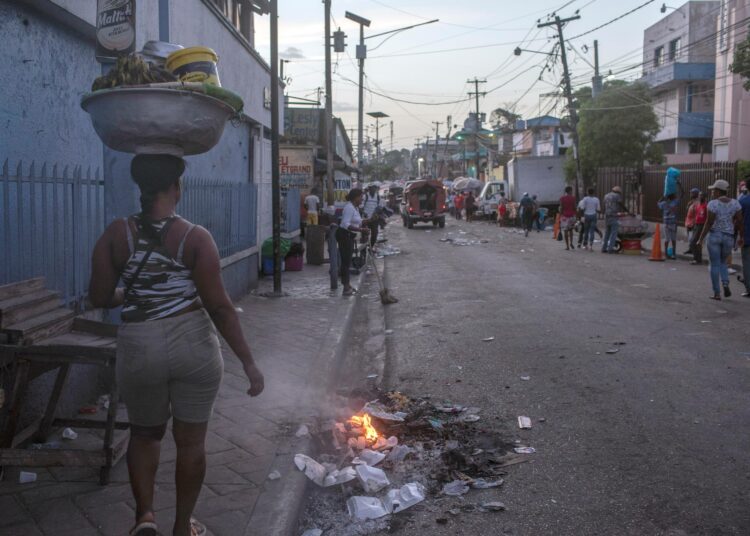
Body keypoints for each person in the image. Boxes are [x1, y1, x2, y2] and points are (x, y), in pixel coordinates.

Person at [88, 154, 264, 536]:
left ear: (141, 188)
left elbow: (100, 295)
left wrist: (132, 294)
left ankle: (145, 517)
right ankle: (183, 526)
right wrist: (248, 362)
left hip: (140, 345)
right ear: (175, 188)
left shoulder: (116, 234)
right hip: (192, 343)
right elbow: (218, 305)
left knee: (145, 434)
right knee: (190, 442)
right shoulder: (195, 237)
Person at [695, 179, 744, 300]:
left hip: (714, 236)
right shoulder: (735, 203)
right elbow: (740, 222)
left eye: (713, 190)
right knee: (723, 263)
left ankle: (717, 293)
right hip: (728, 237)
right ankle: (726, 283)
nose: (712, 192)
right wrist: (740, 237)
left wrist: (700, 239)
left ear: (718, 191)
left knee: (714, 264)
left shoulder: (713, 204)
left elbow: (708, 223)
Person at [338, 188, 369, 296]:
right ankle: (346, 288)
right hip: (344, 235)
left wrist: (370, 220)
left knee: (347, 261)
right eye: (361, 197)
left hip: (349, 236)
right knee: (346, 262)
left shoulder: (355, 208)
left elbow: (358, 221)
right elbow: (345, 224)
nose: (362, 199)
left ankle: (347, 284)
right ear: (355, 197)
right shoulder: (349, 208)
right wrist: (361, 230)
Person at [657, 182, 683, 260]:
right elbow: (682, 194)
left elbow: (658, 203)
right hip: (673, 223)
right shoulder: (675, 202)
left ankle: (666, 254)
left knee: (667, 239)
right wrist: (679, 185)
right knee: (673, 239)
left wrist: (663, 196)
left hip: (666, 223)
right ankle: (674, 254)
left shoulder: (664, 203)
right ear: (673, 197)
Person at [602, 186, 626, 253]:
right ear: (618, 192)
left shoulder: (606, 196)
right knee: (613, 233)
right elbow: (621, 204)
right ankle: (610, 249)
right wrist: (628, 211)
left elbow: (604, 205)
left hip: (607, 216)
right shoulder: (617, 196)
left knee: (607, 233)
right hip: (614, 216)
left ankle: (604, 248)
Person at [688, 193, 708, 265]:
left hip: (701, 225)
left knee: (693, 242)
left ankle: (697, 259)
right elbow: (696, 215)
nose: (700, 196)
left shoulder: (706, 206)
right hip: (696, 224)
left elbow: (707, 217)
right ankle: (698, 259)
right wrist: (693, 223)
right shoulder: (698, 205)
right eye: (699, 195)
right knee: (697, 243)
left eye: (702, 195)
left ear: (705, 197)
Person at [558, 186, 577, 250]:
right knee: (571, 230)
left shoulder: (562, 198)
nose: (572, 192)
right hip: (571, 216)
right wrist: (576, 214)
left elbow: (561, 208)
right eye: (571, 190)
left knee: (565, 231)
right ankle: (571, 242)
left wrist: (560, 216)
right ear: (570, 191)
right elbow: (574, 207)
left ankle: (567, 246)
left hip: (564, 217)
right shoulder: (573, 198)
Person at [740, 186, 750, 296]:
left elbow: (738, 219)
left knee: (747, 264)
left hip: (747, 236)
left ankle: (749, 289)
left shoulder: (743, 201)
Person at [683, 187, 700, 254]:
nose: (690, 194)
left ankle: (695, 251)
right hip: (689, 223)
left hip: (693, 223)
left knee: (692, 238)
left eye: (692, 193)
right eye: (690, 193)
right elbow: (688, 211)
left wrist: (694, 223)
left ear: (696, 194)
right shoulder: (692, 202)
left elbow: (697, 213)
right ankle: (690, 249)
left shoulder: (697, 202)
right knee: (690, 238)